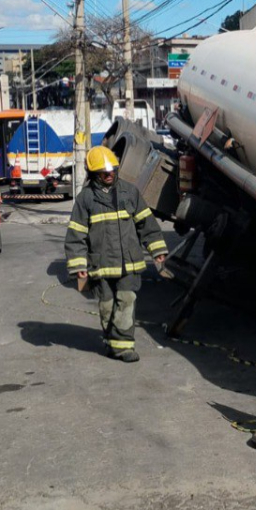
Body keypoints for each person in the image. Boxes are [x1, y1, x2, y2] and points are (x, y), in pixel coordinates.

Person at [64, 146, 168, 362]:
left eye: (112, 170)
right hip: (101, 265)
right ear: (94, 174)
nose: (109, 174)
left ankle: (123, 347)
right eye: (104, 172)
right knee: (107, 305)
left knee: (127, 299)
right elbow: (76, 235)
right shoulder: (86, 200)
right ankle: (112, 342)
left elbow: (146, 224)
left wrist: (157, 250)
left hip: (129, 263)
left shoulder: (130, 193)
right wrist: (79, 267)